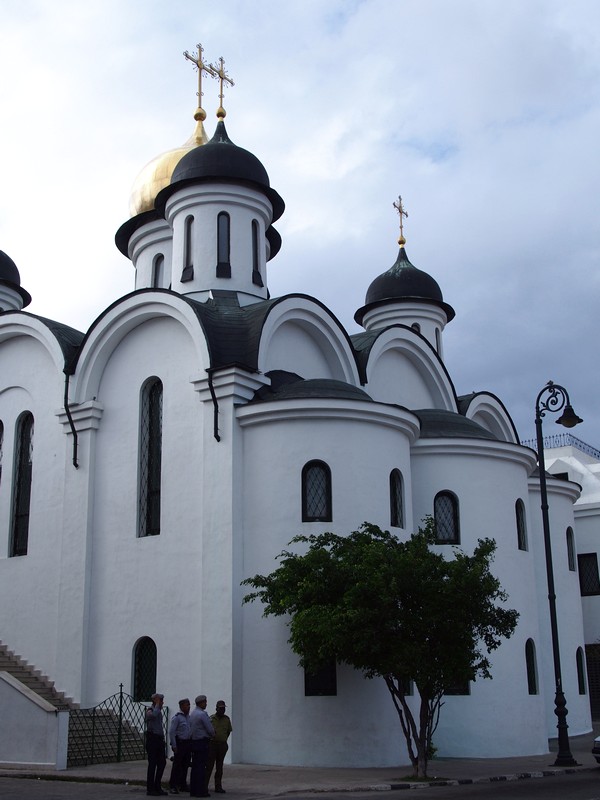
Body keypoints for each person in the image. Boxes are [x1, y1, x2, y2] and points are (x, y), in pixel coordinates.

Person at [189, 694, 215, 798]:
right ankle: (201, 790)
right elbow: (209, 729)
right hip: (202, 742)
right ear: (201, 703)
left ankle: (193, 790)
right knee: (201, 768)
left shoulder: (193, 713)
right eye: (205, 702)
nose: (206, 704)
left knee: (195, 767)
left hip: (194, 742)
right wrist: (213, 733)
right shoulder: (202, 714)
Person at [206, 700, 232, 794]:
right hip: (212, 744)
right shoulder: (211, 718)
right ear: (216, 708)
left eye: (224, 708)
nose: (222, 710)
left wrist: (223, 739)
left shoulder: (227, 719)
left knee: (219, 767)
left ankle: (218, 786)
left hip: (222, 745)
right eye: (221, 708)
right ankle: (205, 786)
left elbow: (228, 731)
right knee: (209, 766)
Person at [145, 692, 168, 797]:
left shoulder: (159, 711)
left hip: (159, 739)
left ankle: (157, 786)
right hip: (152, 739)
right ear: (155, 701)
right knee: (152, 765)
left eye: (162, 701)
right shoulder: (150, 711)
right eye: (160, 700)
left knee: (162, 763)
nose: (162, 702)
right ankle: (150, 788)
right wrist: (157, 705)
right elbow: (153, 715)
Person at [168, 697, 192, 794]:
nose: (189, 707)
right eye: (187, 705)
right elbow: (172, 732)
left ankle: (183, 784)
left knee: (185, 765)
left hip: (187, 743)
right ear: (182, 706)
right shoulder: (177, 718)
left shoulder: (188, 718)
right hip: (180, 743)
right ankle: (173, 785)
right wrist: (174, 745)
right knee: (177, 765)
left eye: (189, 705)